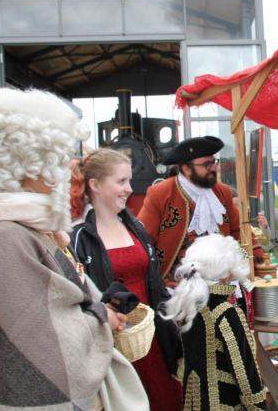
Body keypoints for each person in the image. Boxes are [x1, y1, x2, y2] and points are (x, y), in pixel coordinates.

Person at [0, 88, 146, 410]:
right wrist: (101, 317)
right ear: (32, 163)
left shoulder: (26, 226)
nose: (70, 168)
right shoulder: (7, 238)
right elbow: (41, 348)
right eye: (61, 156)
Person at [71, 148, 183, 411]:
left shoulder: (137, 228)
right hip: (116, 345)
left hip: (151, 340)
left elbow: (154, 283)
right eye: (121, 181)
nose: (129, 189)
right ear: (95, 185)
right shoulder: (78, 238)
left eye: (129, 181)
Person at [137, 136, 264, 288]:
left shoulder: (222, 192)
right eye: (206, 164)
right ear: (186, 168)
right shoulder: (160, 193)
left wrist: (257, 261)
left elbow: (239, 232)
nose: (214, 168)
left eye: (214, 162)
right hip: (177, 284)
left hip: (223, 279)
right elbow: (143, 240)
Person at [161, 234, 267, 410]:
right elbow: (245, 375)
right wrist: (259, 407)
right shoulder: (226, 313)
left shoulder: (188, 306)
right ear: (226, 275)